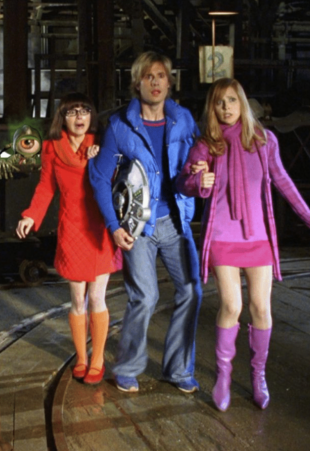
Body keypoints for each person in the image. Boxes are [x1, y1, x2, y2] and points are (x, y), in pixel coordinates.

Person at [175, 78, 310, 412]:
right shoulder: (206, 144)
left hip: (257, 237)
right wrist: (197, 180)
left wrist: (309, 216)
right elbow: (182, 183)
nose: (226, 107)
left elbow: (283, 181)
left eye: (232, 100)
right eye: (219, 102)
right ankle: (224, 376)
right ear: (212, 108)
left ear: (242, 102)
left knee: (260, 307)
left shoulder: (263, 140)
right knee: (231, 306)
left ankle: (258, 376)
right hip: (222, 236)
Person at [89, 51, 202, 394]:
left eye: (161, 76)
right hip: (137, 226)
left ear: (169, 82)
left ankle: (178, 370)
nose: (155, 82)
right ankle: (127, 367)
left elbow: (202, 159)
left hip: (177, 221)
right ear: (137, 84)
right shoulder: (120, 126)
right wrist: (114, 226)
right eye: (148, 77)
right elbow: (99, 177)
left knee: (191, 291)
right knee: (145, 297)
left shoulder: (184, 120)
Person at [16, 93, 120, 385]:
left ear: (91, 115)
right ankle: (81, 358)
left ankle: (97, 360)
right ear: (62, 118)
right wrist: (31, 216)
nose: (79, 117)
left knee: (97, 297)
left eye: (84, 110)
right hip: (71, 229)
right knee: (77, 300)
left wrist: (101, 158)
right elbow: (46, 187)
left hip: (99, 228)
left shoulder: (102, 143)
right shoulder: (52, 147)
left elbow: (118, 179)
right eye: (72, 112)